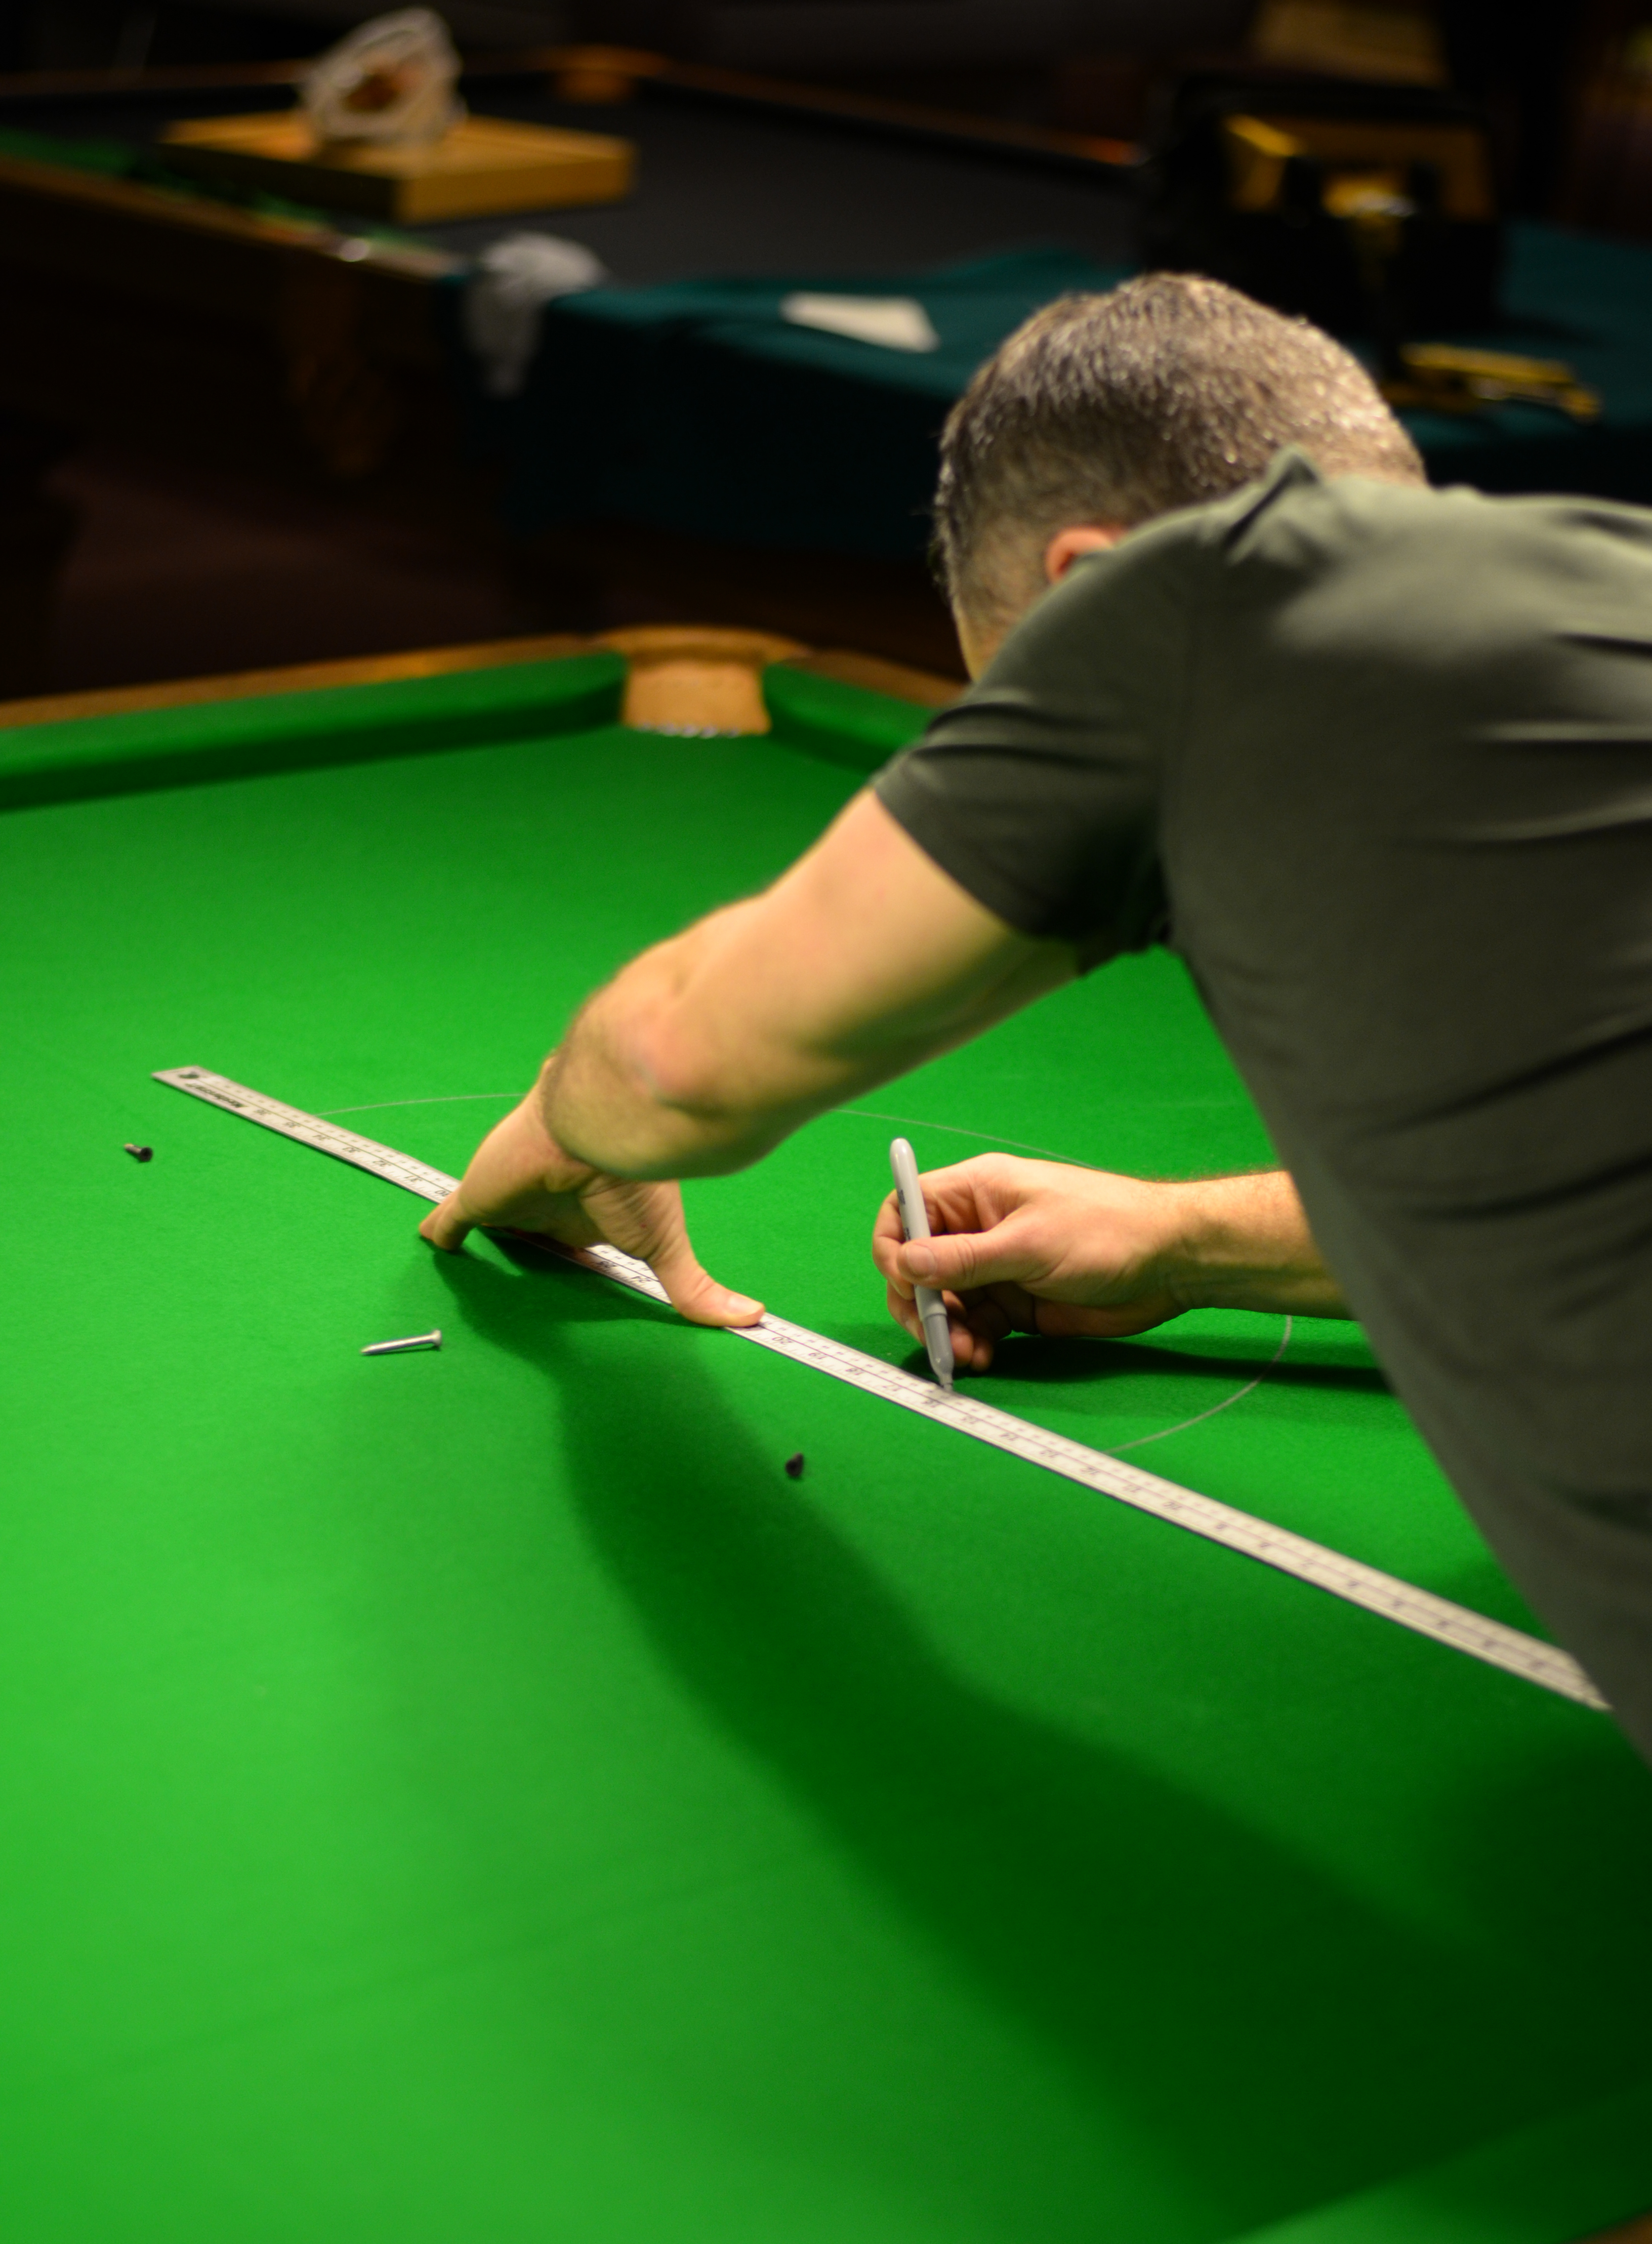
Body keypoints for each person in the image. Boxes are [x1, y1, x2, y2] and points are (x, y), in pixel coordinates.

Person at [421, 273, 1652, 1755]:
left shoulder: (1194, 608)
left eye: (1008, 702)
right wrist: (1184, 1240)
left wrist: (575, 1125)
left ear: (1084, 589)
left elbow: (678, 1064)